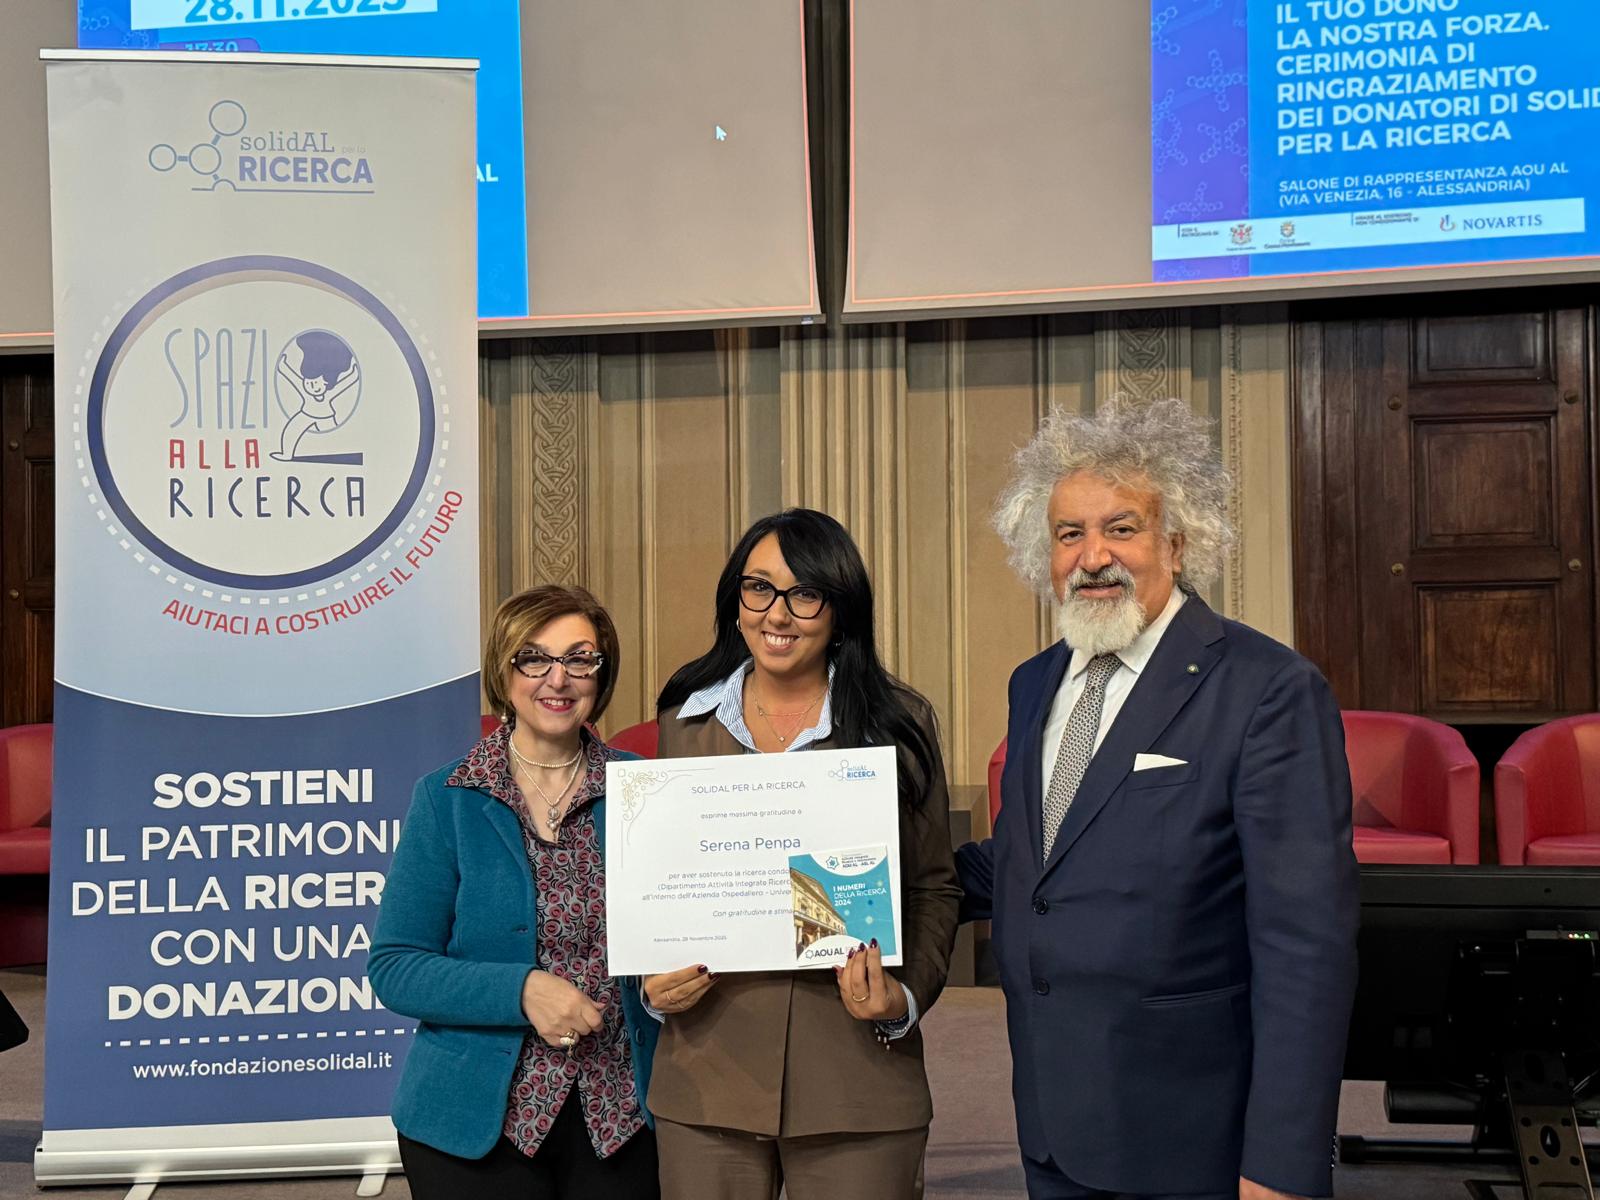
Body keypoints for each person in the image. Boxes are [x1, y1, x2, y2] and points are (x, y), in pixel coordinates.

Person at [956, 398, 1358, 1200]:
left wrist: (1281, 1163)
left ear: (1176, 541)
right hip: (1052, 1124)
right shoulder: (1034, 683)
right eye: (1069, 533)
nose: (1093, 556)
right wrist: (864, 867)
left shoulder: (1268, 688)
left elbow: (1305, 947)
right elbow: (1040, 861)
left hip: (1192, 1139)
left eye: (1122, 528)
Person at [644, 508, 961, 1200]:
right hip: (707, 1076)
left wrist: (903, 997)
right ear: (735, 601)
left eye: (805, 594)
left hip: (858, 1079)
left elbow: (934, 887)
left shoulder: (898, 725)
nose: (777, 614)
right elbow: (659, 887)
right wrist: (652, 984)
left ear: (841, 610)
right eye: (758, 588)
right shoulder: (683, 722)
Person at [368, 584, 660, 1200]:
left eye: (579, 659)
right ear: (504, 673)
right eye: (534, 658)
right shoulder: (446, 798)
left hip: (623, 1115)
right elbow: (396, 967)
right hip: (474, 1122)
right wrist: (522, 990)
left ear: (601, 673)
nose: (558, 678)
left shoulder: (648, 791)